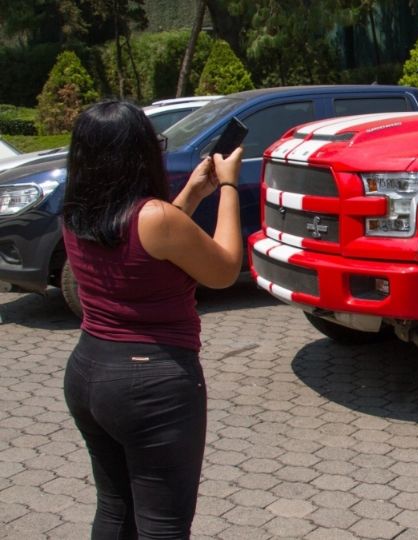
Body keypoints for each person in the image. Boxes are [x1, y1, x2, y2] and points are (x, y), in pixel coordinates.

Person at [61, 100, 243, 538]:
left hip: (89, 372)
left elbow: (149, 244)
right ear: (137, 153)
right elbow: (224, 269)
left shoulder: (78, 211)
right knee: (164, 525)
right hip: (151, 387)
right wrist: (229, 188)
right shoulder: (154, 217)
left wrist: (195, 192)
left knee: (114, 510)